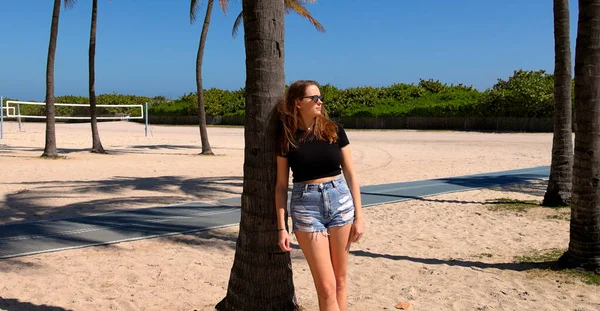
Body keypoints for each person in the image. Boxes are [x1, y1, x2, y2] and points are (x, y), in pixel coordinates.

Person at [275, 80, 364, 311]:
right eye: (313, 98)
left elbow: (351, 175)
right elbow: (281, 186)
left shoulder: (334, 130)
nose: (319, 101)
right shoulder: (286, 137)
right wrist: (282, 227)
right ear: (297, 103)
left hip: (340, 201)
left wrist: (360, 217)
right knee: (326, 286)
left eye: (320, 97)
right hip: (306, 206)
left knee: (340, 280)